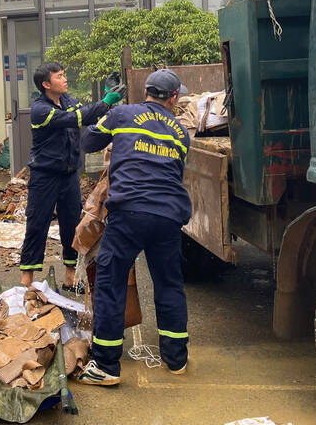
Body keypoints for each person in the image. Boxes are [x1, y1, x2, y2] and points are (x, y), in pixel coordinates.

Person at [77, 69, 191, 386]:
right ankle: (176, 359)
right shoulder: (181, 133)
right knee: (169, 283)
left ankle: (107, 367)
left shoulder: (123, 114)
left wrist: (108, 117)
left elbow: (88, 142)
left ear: (146, 92)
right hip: (169, 215)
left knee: (111, 283)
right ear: (173, 98)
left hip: (129, 213)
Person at [19, 62, 126, 291]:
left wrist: (106, 97)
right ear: (46, 84)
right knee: (38, 223)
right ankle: (26, 280)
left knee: (71, 225)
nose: (65, 79)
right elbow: (74, 118)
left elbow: (86, 115)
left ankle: (70, 276)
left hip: (68, 174)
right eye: (59, 76)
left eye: (64, 74)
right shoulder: (40, 109)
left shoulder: (68, 101)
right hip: (44, 175)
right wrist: (105, 101)